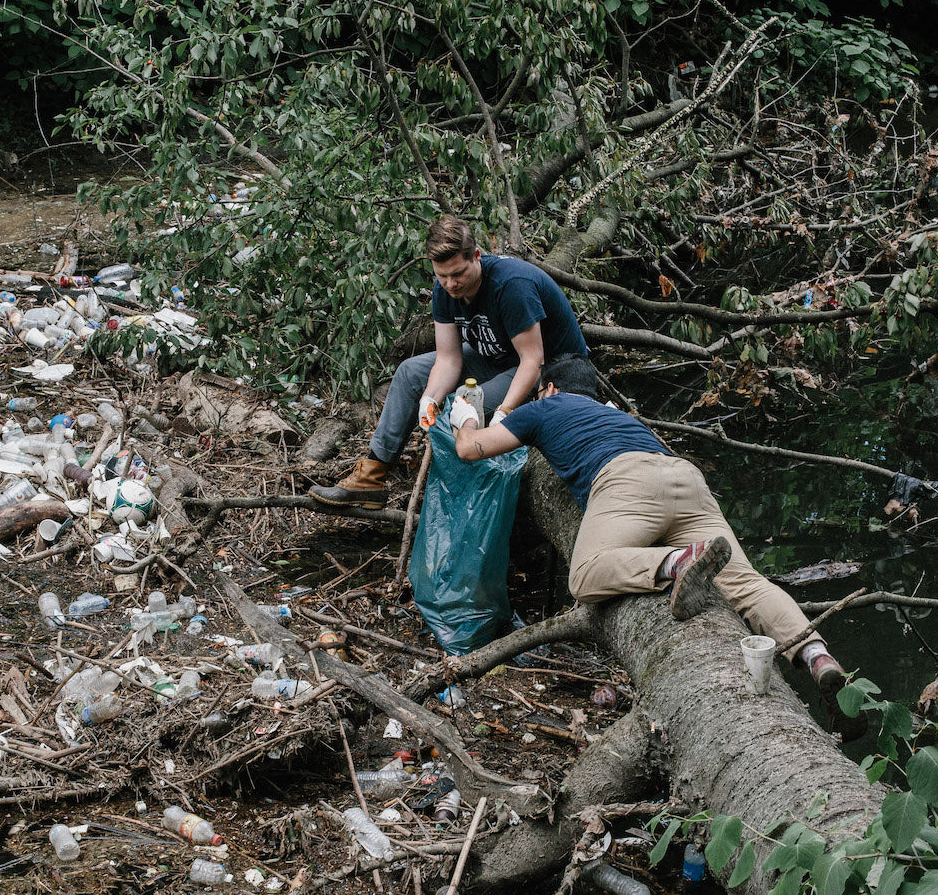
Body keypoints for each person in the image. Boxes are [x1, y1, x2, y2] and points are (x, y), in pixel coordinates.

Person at [450, 355, 860, 735]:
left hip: (627, 482)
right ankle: (817, 657)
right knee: (746, 584)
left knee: (586, 574)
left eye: (541, 391)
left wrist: (466, 417)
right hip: (685, 478)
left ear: (550, 388)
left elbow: (472, 449)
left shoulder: (543, 407)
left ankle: (677, 562)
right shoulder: (622, 418)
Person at [309, 214, 589, 509]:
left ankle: (459, 497)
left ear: (476, 256)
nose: (450, 284)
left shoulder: (511, 285)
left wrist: (504, 412)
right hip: (495, 356)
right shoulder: (443, 289)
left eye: (458, 274)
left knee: (461, 404)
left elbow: (533, 360)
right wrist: (429, 399)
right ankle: (371, 477)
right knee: (410, 373)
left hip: (550, 368)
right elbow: (448, 358)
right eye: (442, 275)